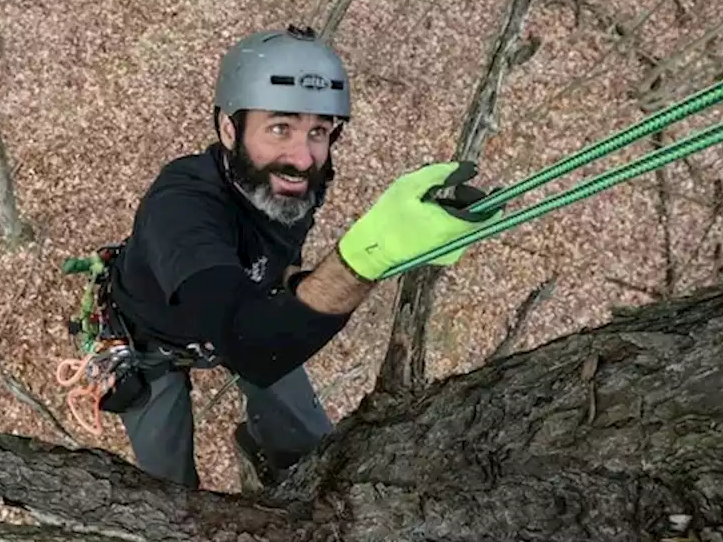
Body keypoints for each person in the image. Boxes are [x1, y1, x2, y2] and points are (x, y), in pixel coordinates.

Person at [107, 24, 502, 491]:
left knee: (311, 453)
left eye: (319, 131)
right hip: (153, 340)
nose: (301, 157)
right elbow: (249, 346)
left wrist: (296, 281)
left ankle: (272, 467)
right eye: (280, 127)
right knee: (166, 495)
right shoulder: (181, 208)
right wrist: (367, 256)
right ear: (229, 128)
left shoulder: (292, 184)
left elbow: (274, 264)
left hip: (252, 306)